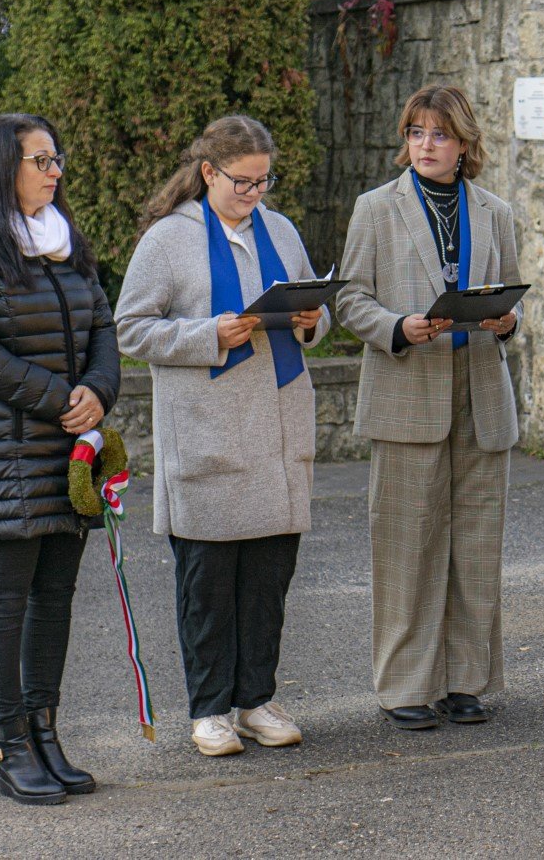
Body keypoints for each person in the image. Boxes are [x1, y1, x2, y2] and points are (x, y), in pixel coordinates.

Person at [115, 115, 329, 757]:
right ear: (208, 172)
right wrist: (212, 334)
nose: (255, 194)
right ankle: (209, 711)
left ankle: (256, 700)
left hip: (278, 429)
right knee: (208, 584)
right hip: (208, 434)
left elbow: (313, 313)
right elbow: (130, 329)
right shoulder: (167, 240)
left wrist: (315, 318)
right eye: (243, 181)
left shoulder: (282, 230)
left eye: (264, 182)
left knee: (268, 578)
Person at [0, 114, 121, 805]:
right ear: (2, 168)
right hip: (0, 451)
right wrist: (60, 400)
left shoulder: (65, 245)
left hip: (66, 447)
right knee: (7, 598)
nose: (54, 171)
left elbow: (104, 325)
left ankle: (45, 731)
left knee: (56, 598)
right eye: (41, 160)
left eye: (55, 158)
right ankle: (9, 741)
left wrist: (97, 393)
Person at [335, 85, 521, 732]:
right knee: (407, 547)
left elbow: (512, 296)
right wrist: (395, 326)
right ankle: (405, 686)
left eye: (438, 134)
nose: (425, 145)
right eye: (415, 133)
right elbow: (350, 298)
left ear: (464, 143)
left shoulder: (495, 211)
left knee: (474, 547)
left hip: (480, 392)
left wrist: (506, 321)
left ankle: (468, 681)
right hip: (407, 387)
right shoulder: (374, 209)